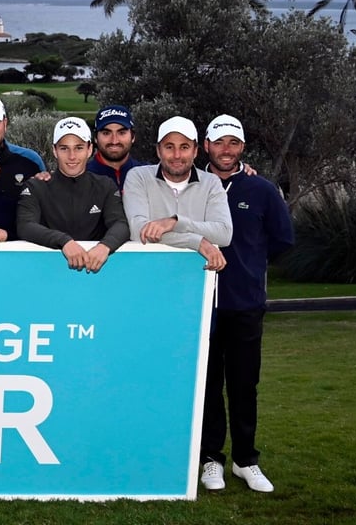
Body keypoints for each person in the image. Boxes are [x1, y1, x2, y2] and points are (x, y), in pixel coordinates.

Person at [198, 115, 295, 494]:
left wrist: (249, 264)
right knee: (207, 386)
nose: (226, 150)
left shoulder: (261, 189)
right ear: (206, 145)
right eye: (219, 142)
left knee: (244, 385)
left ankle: (245, 460)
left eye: (233, 143)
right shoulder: (193, 186)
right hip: (200, 304)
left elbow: (281, 240)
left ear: (242, 147)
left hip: (245, 303)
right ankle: (210, 459)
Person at [17, 117, 129, 272]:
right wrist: (64, 242)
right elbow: (25, 226)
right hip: (45, 274)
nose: (72, 156)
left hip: (97, 277)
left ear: (89, 149)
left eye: (79, 148)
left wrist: (105, 246)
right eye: (64, 148)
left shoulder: (105, 185)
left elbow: (120, 223)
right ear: (54, 151)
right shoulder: (36, 186)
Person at [121, 116, 232, 271]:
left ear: (195, 151)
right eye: (169, 147)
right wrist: (197, 242)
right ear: (158, 151)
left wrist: (174, 222)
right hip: (146, 276)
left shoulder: (211, 183)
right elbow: (138, 231)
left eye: (184, 147)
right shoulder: (139, 177)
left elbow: (224, 233)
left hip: (195, 283)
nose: (177, 155)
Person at [86, 104, 145, 191]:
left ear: (132, 137)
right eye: (106, 133)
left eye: (121, 133)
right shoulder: (82, 178)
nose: (114, 141)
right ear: (95, 138)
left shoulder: (146, 175)